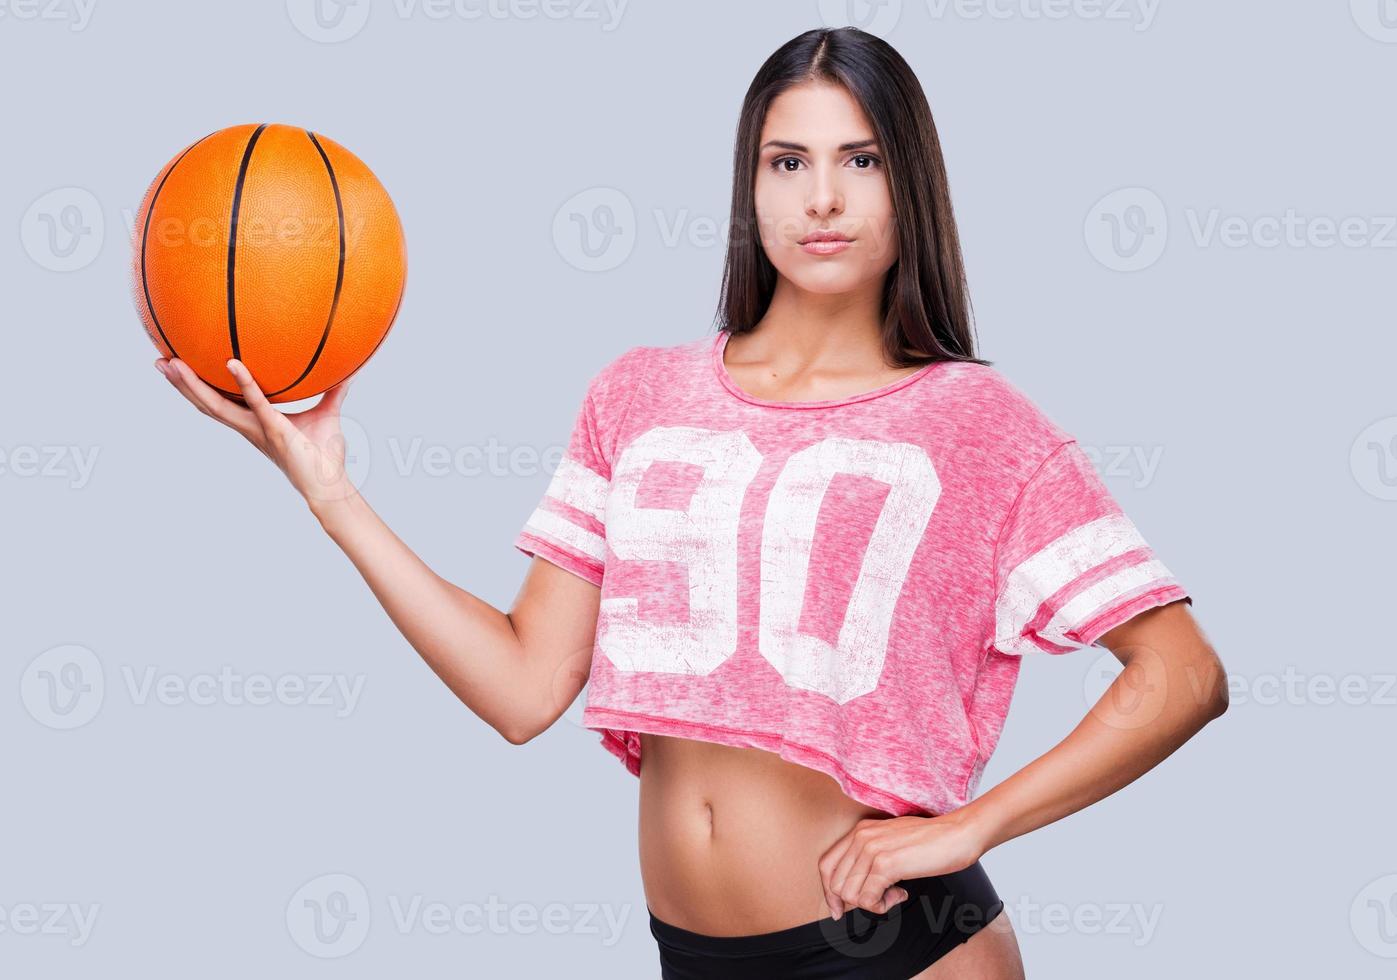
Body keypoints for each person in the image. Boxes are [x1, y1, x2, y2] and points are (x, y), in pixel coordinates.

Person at [153, 26, 1229, 980]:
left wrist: (970, 826)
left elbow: (1182, 673)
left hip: (902, 953)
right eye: (786, 160)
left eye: (859, 160)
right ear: (746, 186)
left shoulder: (973, 422)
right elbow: (525, 687)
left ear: (910, 185)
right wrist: (331, 494)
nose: (820, 196)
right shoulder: (639, 395)